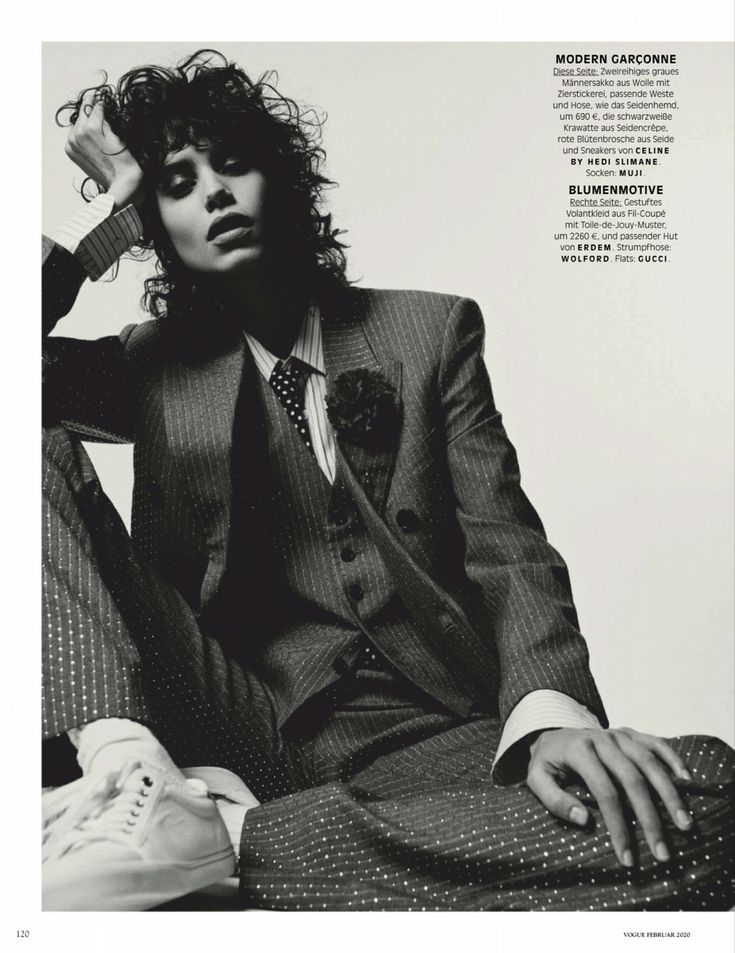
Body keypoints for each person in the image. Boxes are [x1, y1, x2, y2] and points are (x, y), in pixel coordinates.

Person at [42, 49, 734, 911]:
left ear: (285, 181)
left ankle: (232, 846)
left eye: (232, 164)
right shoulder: (154, 367)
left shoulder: (427, 331)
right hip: (230, 718)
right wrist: (111, 222)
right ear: (159, 224)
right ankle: (135, 773)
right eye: (177, 184)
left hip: (435, 742)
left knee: (703, 793)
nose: (214, 192)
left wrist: (555, 718)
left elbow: (506, 547)